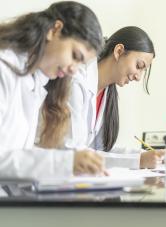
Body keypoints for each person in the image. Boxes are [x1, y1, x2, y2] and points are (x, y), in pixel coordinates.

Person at [0, 1, 105, 179]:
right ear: (54, 30)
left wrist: (67, 161)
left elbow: (17, 154)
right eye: (75, 56)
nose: (74, 69)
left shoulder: (35, 82)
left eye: (81, 64)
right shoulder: (4, 68)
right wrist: (64, 163)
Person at [40, 26, 164, 169]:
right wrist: (138, 160)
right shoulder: (76, 83)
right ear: (118, 51)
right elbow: (74, 152)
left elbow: (99, 150)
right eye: (138, 66)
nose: (138, 77)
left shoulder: (107, 93)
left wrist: (146, 155)